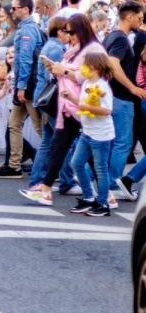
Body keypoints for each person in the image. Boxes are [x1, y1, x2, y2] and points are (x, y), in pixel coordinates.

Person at [21, 14, 105, 206]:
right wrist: (57, 70)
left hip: (83, 105)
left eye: (72, 31)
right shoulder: (76, 48)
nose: (69, 35)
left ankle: (104, 192)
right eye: (67, 31)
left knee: (85, 151)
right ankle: (45, 188)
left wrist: (64, 71)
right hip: (70, 105)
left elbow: (91, 76)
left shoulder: (93, 48)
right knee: (60, 147)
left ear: (82, 30)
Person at [0, 0, 44, 179]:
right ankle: (14, 165)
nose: (12, 11)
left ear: (25, 9)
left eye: (15, 8)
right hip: (25, 85)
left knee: (40, 127)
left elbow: (25, 60)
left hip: (28, 85)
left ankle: (54, 166)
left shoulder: (28, 29)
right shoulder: (25, 28)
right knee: (14, 124)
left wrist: (21, 87)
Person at [66, 52, 116, 217]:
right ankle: (88, 197)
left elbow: (107, 110)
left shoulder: (103, 86)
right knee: (76, 163)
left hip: (101, 135)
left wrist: (83, 106)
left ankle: (102, 203)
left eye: (85, 65)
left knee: (100, 169)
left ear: (94, 67)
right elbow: (82, 104)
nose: (82, 68)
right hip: (87, 132)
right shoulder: (87, 82)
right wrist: (72, 99)